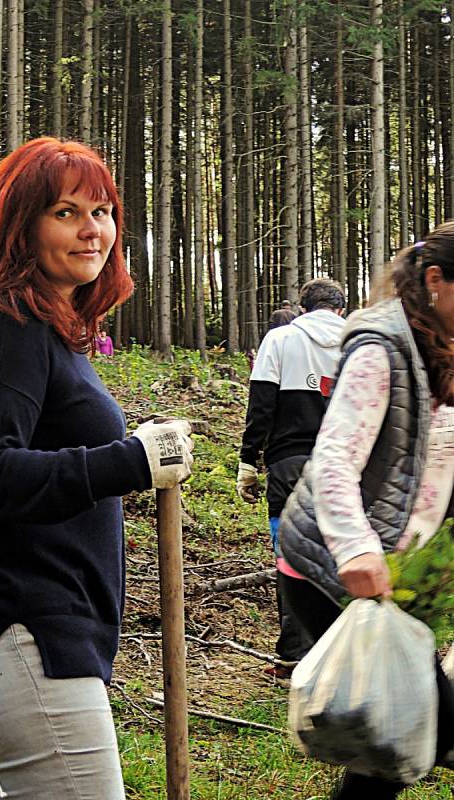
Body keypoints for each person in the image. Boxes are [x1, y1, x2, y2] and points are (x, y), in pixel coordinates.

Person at [0, 137, 194, 800]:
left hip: (19, 632)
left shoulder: (46, 324)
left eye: (102, 210)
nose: (93, 229)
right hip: (13, 635)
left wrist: (135, 452)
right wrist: (131, 461)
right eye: (66, 212)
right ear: (17, 226)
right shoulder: (7, 327)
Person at [279, 224, 454, 799]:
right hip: (334, 568)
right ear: (435, 281)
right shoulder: (381, 346)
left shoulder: (445, 346)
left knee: (389, 744)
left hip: (397, 574)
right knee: (404, 730)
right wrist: (356, 549)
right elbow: (333, 460)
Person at [236, 278, 347, 675]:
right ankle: (340, 656)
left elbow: (261, 404)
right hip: (346, 467)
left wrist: (248, 462)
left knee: (290, 558)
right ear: (339, 308)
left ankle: (298, 656)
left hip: (289, 465)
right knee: (342, 555)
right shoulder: (360, 341)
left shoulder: (281, 340)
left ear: (303, 308)